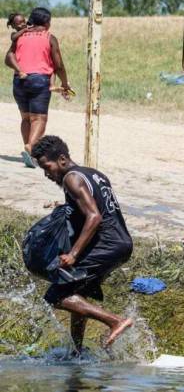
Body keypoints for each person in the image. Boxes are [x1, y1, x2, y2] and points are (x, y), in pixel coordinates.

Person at [31, 135, 134, 353]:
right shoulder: (95, 174)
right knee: (77, 291)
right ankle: (76, 351)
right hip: (121, 242)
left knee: (56, 295)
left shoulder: (71, 178)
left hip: (107, 245)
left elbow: (94, 216)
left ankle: (115, 321)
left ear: (61, 159)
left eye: (47, 167)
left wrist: (74, 254)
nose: (47, 174)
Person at [4, 7, 73, 168]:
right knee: (39, 119)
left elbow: (8, 57)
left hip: (19, 80)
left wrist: (20, 69)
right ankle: (30, 147)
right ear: (47, 23)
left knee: (26, 118)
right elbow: (59, 65)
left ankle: (29, 152)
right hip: (39, 80)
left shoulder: (20, 37)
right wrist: (64, 83)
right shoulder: (49, 37)